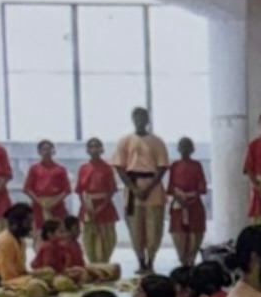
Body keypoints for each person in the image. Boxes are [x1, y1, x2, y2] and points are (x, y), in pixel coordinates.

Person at [113, 106, 170, 273]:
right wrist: (133, 188)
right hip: (132, 190)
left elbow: (162, 167)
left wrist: (148, 188)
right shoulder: (124, 141)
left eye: (143, 117)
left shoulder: (157, 142)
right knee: (135, 228)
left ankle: (151, 260)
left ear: (148, 120)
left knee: (154, 228)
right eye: (136, 117)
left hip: (153, 188)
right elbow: (119, 167)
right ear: (132, 119)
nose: (140, 121)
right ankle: (140, 260)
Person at [76, 138, 120, 267]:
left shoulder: (107, 168)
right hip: (87, 206)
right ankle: (93, 265)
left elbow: (111, 190)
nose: (94, 149)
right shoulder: (83, 168)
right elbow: (80, 190)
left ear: (102, 149)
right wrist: (86, 206)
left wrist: (100, 208)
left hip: (105, 207)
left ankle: (104, 264)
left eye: (97, 147)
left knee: (108, 238)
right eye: (91, 147)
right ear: (87, 150)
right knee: (89, 238)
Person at [166, 138, 209, 267]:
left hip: (194, 204)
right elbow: (170, 187)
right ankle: (182, 261)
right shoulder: (174, 165)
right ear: (178, 149)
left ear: (192, 149)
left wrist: (191, 197)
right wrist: (179, 197)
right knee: (178, 233)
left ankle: (191, 260)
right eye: (182, 147)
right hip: (178, 205)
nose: (185, 150)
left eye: (187, 147)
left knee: (195, 233)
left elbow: (202, 187)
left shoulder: (197, 165)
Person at [22, 140, 71, 235]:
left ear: (53, 151)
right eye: (44, 149)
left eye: (49, 149)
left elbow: (67, 190)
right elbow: (27, 189)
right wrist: (41, 202)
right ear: (39, 152)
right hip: (39, 206)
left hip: (57, 206)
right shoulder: (34, 169)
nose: (46, 152)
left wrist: (55, 202)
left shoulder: (60, 169)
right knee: (40, 232)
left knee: (58, 232)